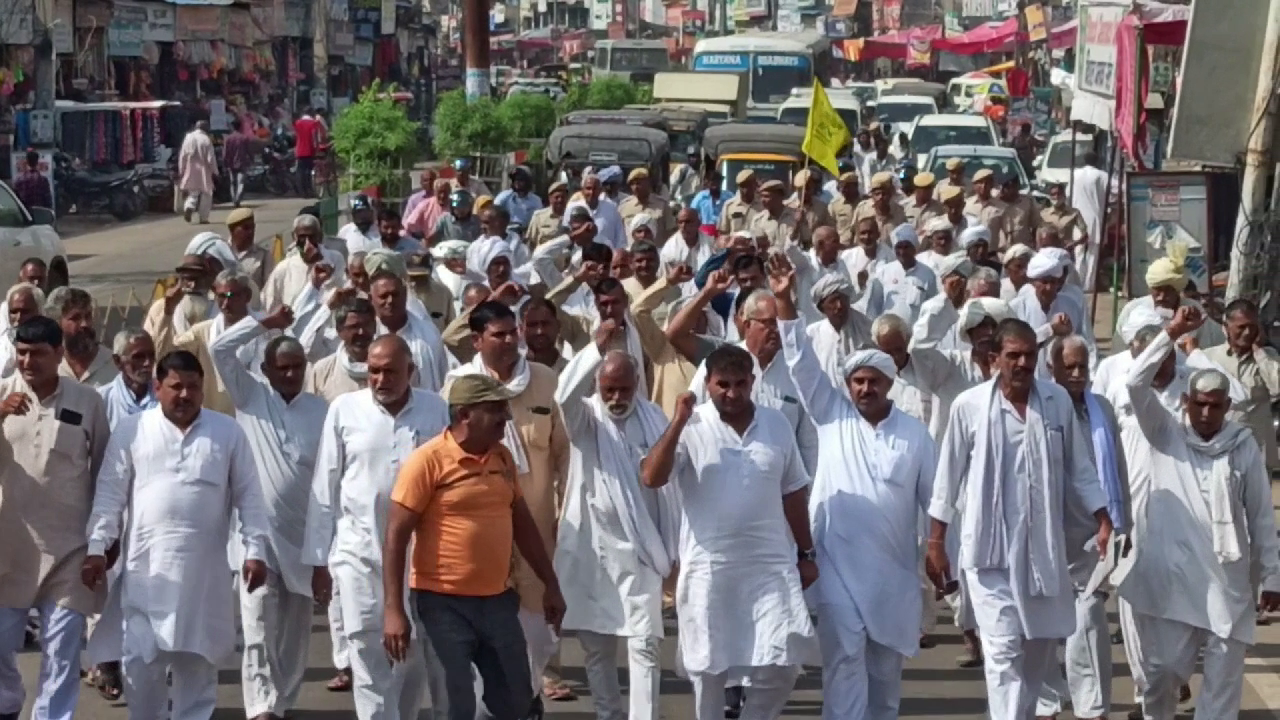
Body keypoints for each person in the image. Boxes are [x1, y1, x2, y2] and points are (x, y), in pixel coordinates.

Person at [926, 319, 1113, 720]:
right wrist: (936, 543)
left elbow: (1079, 467)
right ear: (995, 359)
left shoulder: (1057, 401)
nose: (1023, 363)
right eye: (1013, 355)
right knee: (1003, 651)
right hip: (988, 554)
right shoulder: (969, 406)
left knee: (1036, 652)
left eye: (1030, 355)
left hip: (1042, 550)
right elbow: (947, 478)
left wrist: (1103, 517)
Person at [773, 268, 936, 720]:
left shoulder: (915, 434)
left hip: (893, 572)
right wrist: (786, 305)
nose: (865, 388)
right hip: (836, 567)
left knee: (884, 674)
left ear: (888, 384)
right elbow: (802, 365)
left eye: (874, 381)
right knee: (845, 660)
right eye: (858, 381)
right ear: (848, 385)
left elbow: (936, 501)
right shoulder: (832, 415)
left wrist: (943, 552)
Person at [83, 350, 271, 720]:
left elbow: (250, 496)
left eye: (193, 388)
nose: (184, 395)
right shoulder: (133, 429)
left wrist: (256, 550)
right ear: (157, 387)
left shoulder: (227, 431)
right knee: (142, 665)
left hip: (204, 579)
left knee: (198, 667)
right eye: (176, 387)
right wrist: (96, 547)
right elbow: (109, 495)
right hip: (146, 575)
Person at [1118, 306, 1280, 719]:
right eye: (1200, 405)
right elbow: (1136, 381)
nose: (1206, 415)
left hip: (1227, 580)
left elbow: (1262, 517)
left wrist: (1273, 576)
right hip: (1176, 579)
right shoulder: (1165, 431)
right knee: (1163, 673)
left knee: (1224, 683)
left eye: (1216, 406)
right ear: (1185, 400)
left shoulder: (1241, 444)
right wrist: (1172, 332)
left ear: (1228, 406)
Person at [640, 347, 818, 720]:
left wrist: (806, 553)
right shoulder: (691, 425)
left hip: (769, 567)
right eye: (723, 385)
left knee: (782, 664)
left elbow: (793, 491)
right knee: (708, 669)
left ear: (753, 382)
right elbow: (652, 478)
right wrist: (677, 423)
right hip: (709, 567)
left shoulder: (776, 424)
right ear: (707, 384)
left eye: (741, 384)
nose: (733, 393)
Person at [381, 374, 566, 720]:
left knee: (516, 700)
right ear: (465, 415)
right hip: (442, 603)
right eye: (495, 409)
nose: (506, 417)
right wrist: (394, 609)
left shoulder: (503, 459)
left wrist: (550, 585)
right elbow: (395, 536)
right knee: (456, 702)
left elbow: (522, 525)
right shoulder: (427, 462)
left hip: (497, 600)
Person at [303, 335, 449, 720]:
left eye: (390, 371)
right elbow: (326, 484)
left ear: (411, 373)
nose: (380, 379)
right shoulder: (344, 410)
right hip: (358, 555)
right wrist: (319, 561)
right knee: (367, 653)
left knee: (410, 657)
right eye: (373, 371)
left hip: (419, 560)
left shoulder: (436, 410)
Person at [444, 301, 569, 710]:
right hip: (481, 535)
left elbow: (565, 456)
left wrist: (566, 519)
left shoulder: (546, 381)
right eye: (499, 334)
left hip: (537, 532)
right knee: (484, 638)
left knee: (538, 634)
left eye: (513, 331)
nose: (511, 339)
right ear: (477, 340)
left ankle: (526, 697)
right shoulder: (458, 386)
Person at [209, 309, 328, 720]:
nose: (291, 374)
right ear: (266, 369)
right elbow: (218, 348)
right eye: (283, 368)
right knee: (257, 625)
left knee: (294, 635)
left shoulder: (321, 411)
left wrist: (324, 553)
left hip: (304, 540)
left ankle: (283, 703)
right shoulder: (250, 396)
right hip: (255, 538)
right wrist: (263, 321)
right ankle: (261, 708)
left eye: (298, 367)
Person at [554, 330, 677, 720]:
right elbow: (563, 396)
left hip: (642, 552)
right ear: (597, 384)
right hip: (594, 553)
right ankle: (608, 715)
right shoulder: (585, 418)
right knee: (597, 650)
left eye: (624, 389)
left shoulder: (654, 418)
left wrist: (672, 552)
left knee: (645, 646)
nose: (616, 399)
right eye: (608, 390)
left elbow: (669, 491)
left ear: (637, 384)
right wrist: (595, 349)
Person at [0, 316, 109, 720]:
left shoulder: (88, 401)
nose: (28, 362)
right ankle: (8, 703)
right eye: (22, 352)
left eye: (38, 354)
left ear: (59, 354)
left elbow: (105, 473)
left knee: (62, 652)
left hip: (70, 551)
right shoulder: (2, 395)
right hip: (10, 550)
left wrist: (104, 541)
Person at [1035, 334, 1128, 720]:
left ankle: (1092, 708)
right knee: (1038, 624)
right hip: (1044, 530)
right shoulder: (1039, 408)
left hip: (1093, 532)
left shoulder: (1101, 408)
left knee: (1088, 619)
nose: (1076, 375)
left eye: (1082, 367)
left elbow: (1116, 467)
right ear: (1051, 368)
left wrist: (1121, 520)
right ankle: (1044, 703)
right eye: (1068, 367)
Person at [1202, 299, 1280, 474]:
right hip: (1220, 447)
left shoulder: (1269, 357)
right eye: (1241, 327)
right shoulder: (1209, 358)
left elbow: (1277, 388)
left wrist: (1259, 352)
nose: (1247, 332)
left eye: (1253, 327)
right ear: (1226, 327)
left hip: (1257, 448)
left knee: (1258, 501)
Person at [863, 224, 939, 325]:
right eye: (898, 247)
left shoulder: (927, 274)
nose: (902, 252)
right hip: (887, 335)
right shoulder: (883, 272)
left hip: (915, 336)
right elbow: (873, 308)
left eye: (906, 247)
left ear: (914, 248)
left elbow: (932, 309)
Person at [47, 287, 117, 388]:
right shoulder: (50, 366)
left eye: (88, 316)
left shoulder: (113, 364)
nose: (85, 324)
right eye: (75, 318)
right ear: (57, 322)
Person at [1069, 151, 1110, 291]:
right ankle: (1089, 285)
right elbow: (1114, 191)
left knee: (1078, 252)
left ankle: (1077, 284)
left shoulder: (1074, 174)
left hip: (1077, 218)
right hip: (1095, 218)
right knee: (1093, 253)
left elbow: (1069, 193)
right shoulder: (1102, 175)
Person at [567, 175, 626, 249]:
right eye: (588, 188)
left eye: (595, 189)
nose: (591, 192)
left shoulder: (611, 208)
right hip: (578, 257)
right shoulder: (572, 208)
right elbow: (565, 236)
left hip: (606, 256)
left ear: (600, 191)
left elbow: (620, 239)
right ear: (582, 190)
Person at [178, 120, 218, 224]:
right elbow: (211, 159)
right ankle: (203, 218)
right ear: (205, 128)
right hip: (204, 171)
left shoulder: (188, 137)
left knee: (193, 193)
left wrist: (181, 170)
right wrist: (215, 171)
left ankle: (189, 206)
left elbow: (183, 155)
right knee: (207, 194)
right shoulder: (206, 139)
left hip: (190, 170)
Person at [618, 168, 674, 241]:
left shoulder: (662, 205)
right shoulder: (624, 207)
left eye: (639, 183)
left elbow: (671, 232)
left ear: (648, 183)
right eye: (632, 184)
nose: (635, 187)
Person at [226, 208, 270, 294]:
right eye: (245, 228)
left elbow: (269, 290)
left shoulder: (263, 256)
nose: (251, 232)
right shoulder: (221, 252)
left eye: (252, 227)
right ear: (232, 230)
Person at [495, 166, 543, 230]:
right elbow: (494, 212)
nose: (517, 182)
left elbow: (539, 220)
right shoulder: (504, 197)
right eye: (515, 179)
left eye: (520, 179)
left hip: (527, 232)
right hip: (507, 231)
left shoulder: (536, 200)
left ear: (528, 181)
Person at [717, 170, 761, 237]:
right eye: (742, 187)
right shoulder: (729, 206)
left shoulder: (763, 205)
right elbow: (723, 232)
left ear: (755, 184)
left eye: (749, 186)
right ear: (738, 187)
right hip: (734, 246)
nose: (745, 190)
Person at [222, 126, 257, 208]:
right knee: (240, 182)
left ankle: (234, 199)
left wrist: (224, 162)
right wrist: (252, 159)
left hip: (231, 163)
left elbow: (225, 152)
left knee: (232, 183)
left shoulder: (228, 139)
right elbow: (249, 150)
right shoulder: (244, 138)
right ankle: (238, 198)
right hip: (242, 162)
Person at [294, 108, 321, 197]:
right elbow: (314, 138)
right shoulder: (313, 123)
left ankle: (301, 191)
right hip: (309, 150)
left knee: (300, 171)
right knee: (308, 171)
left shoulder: (298, 123)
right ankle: (309, 190)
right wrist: (317, 148)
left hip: (299, 150)